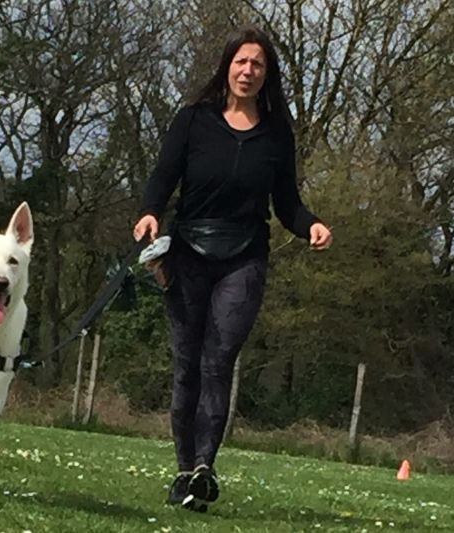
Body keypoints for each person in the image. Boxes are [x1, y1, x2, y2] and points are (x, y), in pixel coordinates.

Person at [132, 25, 332, 512]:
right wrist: (149, 211)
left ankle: (204, 467)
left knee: (217, 360)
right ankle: (184, 471)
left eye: (257, 64)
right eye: (241, 61)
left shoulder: (276, 134)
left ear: (268, 75)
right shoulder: (193, 121)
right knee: (187, 368)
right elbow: (163, 177)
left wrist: (311, 226)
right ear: (227, 66)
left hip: (244, 256)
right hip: (188, 253)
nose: (248, 71)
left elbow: (286, 202)